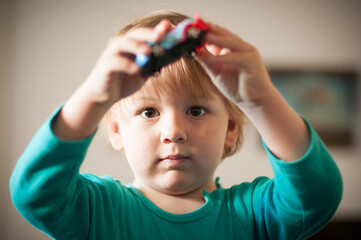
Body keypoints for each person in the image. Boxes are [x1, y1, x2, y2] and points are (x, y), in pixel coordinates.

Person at [10, 11, 342, 240]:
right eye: (149, 112)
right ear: (115, 131)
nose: (174, 132)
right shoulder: (98, 209)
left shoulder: (255, 214)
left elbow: (316, 194)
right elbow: (35, 193)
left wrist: (261, 99)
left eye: (196, 110)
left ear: (231, 130)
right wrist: (94, 96)